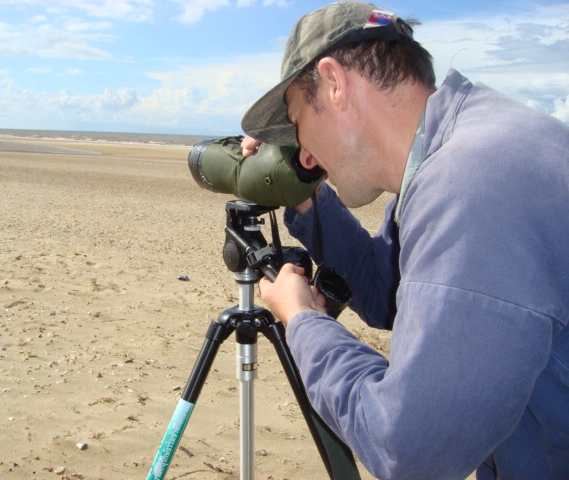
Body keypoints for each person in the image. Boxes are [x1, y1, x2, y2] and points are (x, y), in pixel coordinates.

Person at [239, 2, 569, 479]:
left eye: (296, 124)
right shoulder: (458, 151)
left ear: (333, 84)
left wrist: (303, 321)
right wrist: (303, 196)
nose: (304, 153)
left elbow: (410, 451)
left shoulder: (470, 183)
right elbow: (384, 291)